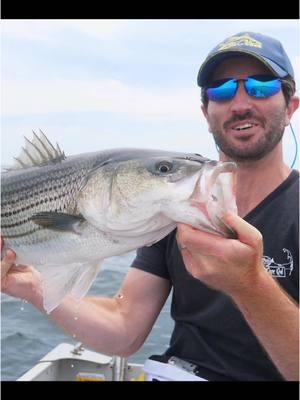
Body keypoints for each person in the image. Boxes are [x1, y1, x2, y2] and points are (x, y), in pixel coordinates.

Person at [1, 31, 299, 381]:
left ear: (291, 105)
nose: (240, 103)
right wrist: (32, 287)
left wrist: (250, 284)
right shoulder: (167, 217)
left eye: (261, 86)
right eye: (221, 90)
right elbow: (125, 329)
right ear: (206, 112)